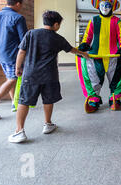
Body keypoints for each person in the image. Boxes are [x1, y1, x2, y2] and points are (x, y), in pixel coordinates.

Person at [8, 11, 89, 143]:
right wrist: (84, 54)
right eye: (60, 24)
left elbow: (21, 51)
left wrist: (18, 68)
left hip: (31, 74)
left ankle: (19, 131)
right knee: (48, 99)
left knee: (24, 101)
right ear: (56, 24)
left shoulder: (31, 34)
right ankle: (47, 124)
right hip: (50, 75)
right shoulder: (58, 38)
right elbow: (72, 50)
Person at [76, 0, 121, 113]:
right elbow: (88, 35)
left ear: (112, 7)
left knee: (116, 78)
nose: (105, 8)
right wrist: (84, 44)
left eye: (108, 5)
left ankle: (115, 98)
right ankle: (94, 99)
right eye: (103, 5)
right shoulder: (94, 20)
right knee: (93, 78)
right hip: (96, 56)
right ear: (98, 6)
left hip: (114, 56)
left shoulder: (117, 21)